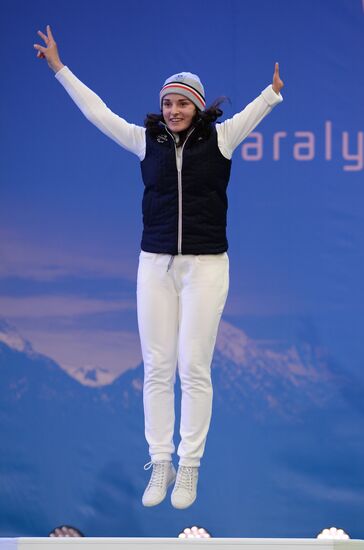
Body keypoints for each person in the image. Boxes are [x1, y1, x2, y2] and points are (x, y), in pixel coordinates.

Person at [34, 25, 284, 510]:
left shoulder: (223, 139)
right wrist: (60, 69)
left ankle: (189, 467)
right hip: (154, 266)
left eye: (182, 104)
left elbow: (254, 112)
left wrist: (271, 95)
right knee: (157, 367)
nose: (173, 110)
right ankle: (161, 461)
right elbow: (97, 113)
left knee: (193, 366)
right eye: (168, 103)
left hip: (206, 268)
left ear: (198, 106)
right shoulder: (144, 141)